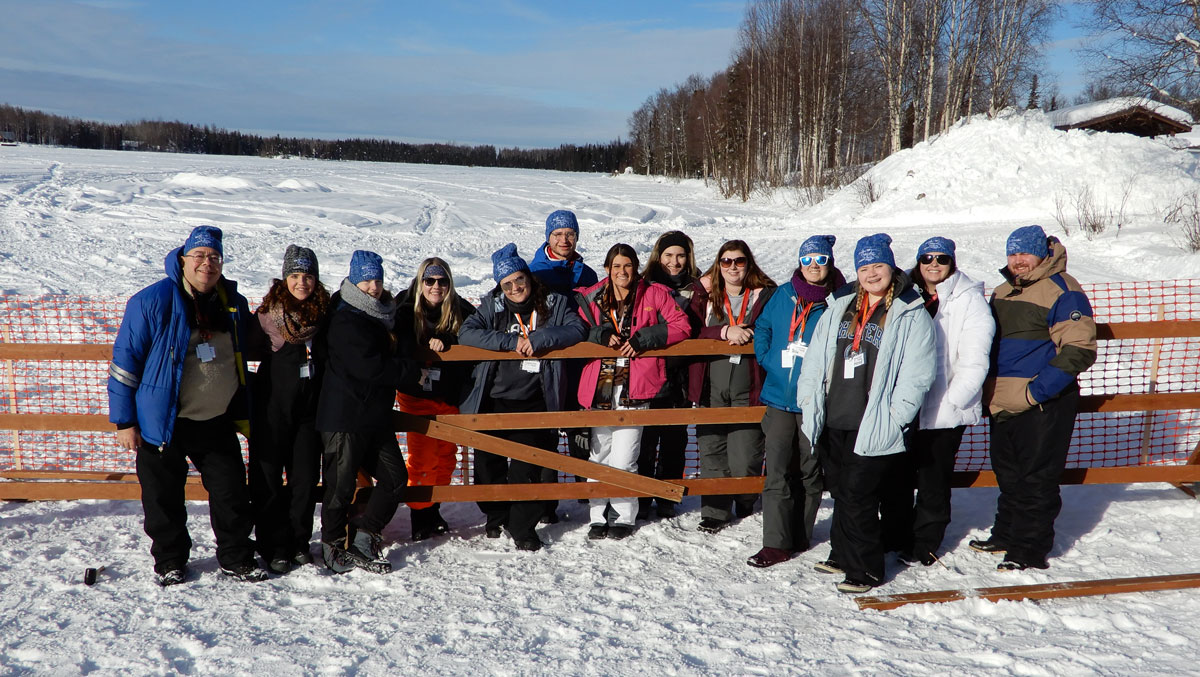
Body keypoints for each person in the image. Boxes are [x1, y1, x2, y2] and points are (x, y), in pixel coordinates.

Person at [107, 225, 266, 585]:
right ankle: (170, 560)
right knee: (162, 497)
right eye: (199, 256)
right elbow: (124, 361)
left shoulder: (232, 302)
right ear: (183, 259)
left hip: (215, 419)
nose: (207, 264)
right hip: (163, 421)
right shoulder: (152, 301)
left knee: (231, 494)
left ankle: (236, 556)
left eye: (214, 257)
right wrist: (124, 421)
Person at [796, 233, 936, 594]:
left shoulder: (909, 311)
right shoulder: (842, 304)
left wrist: (896, 417)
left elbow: (918, 374)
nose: (871, 273)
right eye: (864, 267)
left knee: (859, 495)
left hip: (873, 420)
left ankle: (866, 569)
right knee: (843, 491)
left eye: (878, 265)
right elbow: (815, 356)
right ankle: (842, 553)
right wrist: (809, 400)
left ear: (890, 266)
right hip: (834, 415)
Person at [973, 225, 1096, 571]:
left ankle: (1028, 549)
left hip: (1042, 404)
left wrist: (1035, 392)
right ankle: (1006, 534)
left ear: (1042, 253)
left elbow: (1079, 348)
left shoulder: (1062, 290)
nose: (1018, 261)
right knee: (1008, 474)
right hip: (1002, 403)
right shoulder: (1001, 292)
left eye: (1024, 253)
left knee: (1036, 478)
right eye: (1012, 254)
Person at [458, 243, 587, 551]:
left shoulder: (553, 302)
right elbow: (467, 333)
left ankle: (522, 525)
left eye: (519, 280)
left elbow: (577, 328)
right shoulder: (493, 305)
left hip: (537, 397)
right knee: (488, 466)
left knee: (527, 466)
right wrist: (509, 341)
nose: (515, 287)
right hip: (495, 398)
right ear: (500, 287)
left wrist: (540, 338)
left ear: (529, 278)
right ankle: (497, 515)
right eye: (507, 283)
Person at [576, 243, 691, 539]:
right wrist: (599, 333)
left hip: (635, 385)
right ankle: (597, 515)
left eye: (627, 265)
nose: (622, 271)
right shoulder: (590, 297)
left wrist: (645, 338)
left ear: (636, 267)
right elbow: (574, 329)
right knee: (599, 454)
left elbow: (682, 326)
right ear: (607, 269)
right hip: (600, 385)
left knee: (626, 456)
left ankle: (623, 515)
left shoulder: (654, 293)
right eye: (616, 266)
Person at [746, 235, 845, 568]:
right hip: (777, 397)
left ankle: (800, 535)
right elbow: (762, 326)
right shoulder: (783, 294)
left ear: (829, 262)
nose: (813, 266)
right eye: (807, 260)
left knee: (809, 471)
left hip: (815, 401)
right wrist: (767, 358)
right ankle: (775, 543)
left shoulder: (841, 300)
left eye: (820, 259)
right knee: (775, 471)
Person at [316, 250, 414, 574]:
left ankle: (366, 533)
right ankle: (332, 545)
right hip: (344, 416)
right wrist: (407, 371)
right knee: (340, 486)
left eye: (377, 280)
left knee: (395, 478)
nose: (373, 287)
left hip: (374, 417)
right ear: (354, 282)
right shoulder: (345, 317)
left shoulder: (382, 313)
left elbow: (395, 347)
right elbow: (369, 367)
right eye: (366, 280)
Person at [900, 237, 994, 566]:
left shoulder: (969, 300)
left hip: (944, 409)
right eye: (927, 258)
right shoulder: (906, 294)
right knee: (897, 472)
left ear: (952, 262)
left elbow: (975, 359)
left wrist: (953, 401)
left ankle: (925, 541)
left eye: (941, 258)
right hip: (906, 402)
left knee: (933, 477)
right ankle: (898, 534)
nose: (934, 264)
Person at [247, 245, 331, 574]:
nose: (302, 282)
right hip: (272, 409)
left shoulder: (324, 314)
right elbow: (241, 350)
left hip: (309, 413)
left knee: (305, 480)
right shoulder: (268, 315)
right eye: (295, 275)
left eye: (307, 276)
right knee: (267, 479)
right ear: (285, 279)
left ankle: (298, 542)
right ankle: (272, 545)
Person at [688, 240, 777, 534]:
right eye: (726, 261)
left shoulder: (766, 295)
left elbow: (775, 326)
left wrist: (751, 330)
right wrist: (724, 330)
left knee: (746, 451)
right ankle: (715, 510)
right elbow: (690, 328)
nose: (733, 267)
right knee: (712, 447)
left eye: (738, 261)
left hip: (749, 383)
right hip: (711, 380)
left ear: (748, 263)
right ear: (718, 264)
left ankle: (746, 495)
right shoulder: (705, 296)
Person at [394, 257, 476, 542]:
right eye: (429, 281)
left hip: (450, 394)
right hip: (417, 394)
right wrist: (422, 346)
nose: (436, 286)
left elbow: (474, 335)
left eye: (442, 281)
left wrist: (447, 341)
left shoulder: (460, 309)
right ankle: (420, 512)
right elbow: (400, 340)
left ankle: (434, 508)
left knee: (446, 457)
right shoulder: (405, 308)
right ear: (420, 282)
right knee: (422, 457)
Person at [528, 209, 599, 521]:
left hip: (580, 358)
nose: (564, 239)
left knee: (580, 420)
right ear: (548, 237)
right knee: (545, 427)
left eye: (569, 234)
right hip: (545, 359)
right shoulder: (534, 272)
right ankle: (547, 500)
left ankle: (585, 486)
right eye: (557, 234)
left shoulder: (587, 273)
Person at [636, 230, 703, 520]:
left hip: (681, 373)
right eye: (668, 256)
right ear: (658, 257)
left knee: (675, 437)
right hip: (648, 372)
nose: (674, 262)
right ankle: (641, 493)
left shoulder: (698, 287)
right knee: (645, 437)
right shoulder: (645, 285)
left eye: (680, 255)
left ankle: (667, 494)